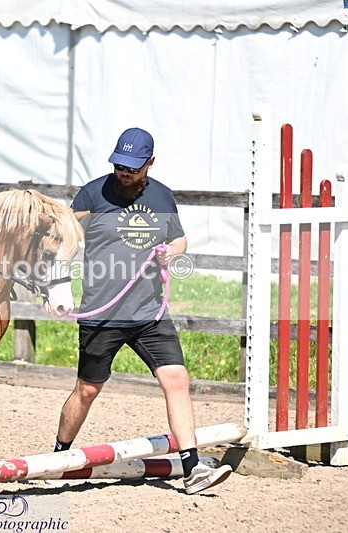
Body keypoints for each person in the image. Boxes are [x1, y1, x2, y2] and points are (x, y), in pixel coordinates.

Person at [53, 127, 233, 495]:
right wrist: (57, 286)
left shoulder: (163, 196)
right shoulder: (92, 194)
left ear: (150, 163)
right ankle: (59, 455)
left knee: (176, 379)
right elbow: (65, 241)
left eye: (133, 167)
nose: (124, 172)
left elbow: (178, 237)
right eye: (120, 164)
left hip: (149, 312)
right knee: (87, 390)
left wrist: (174, 251)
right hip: (102, 315)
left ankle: (191, 467)